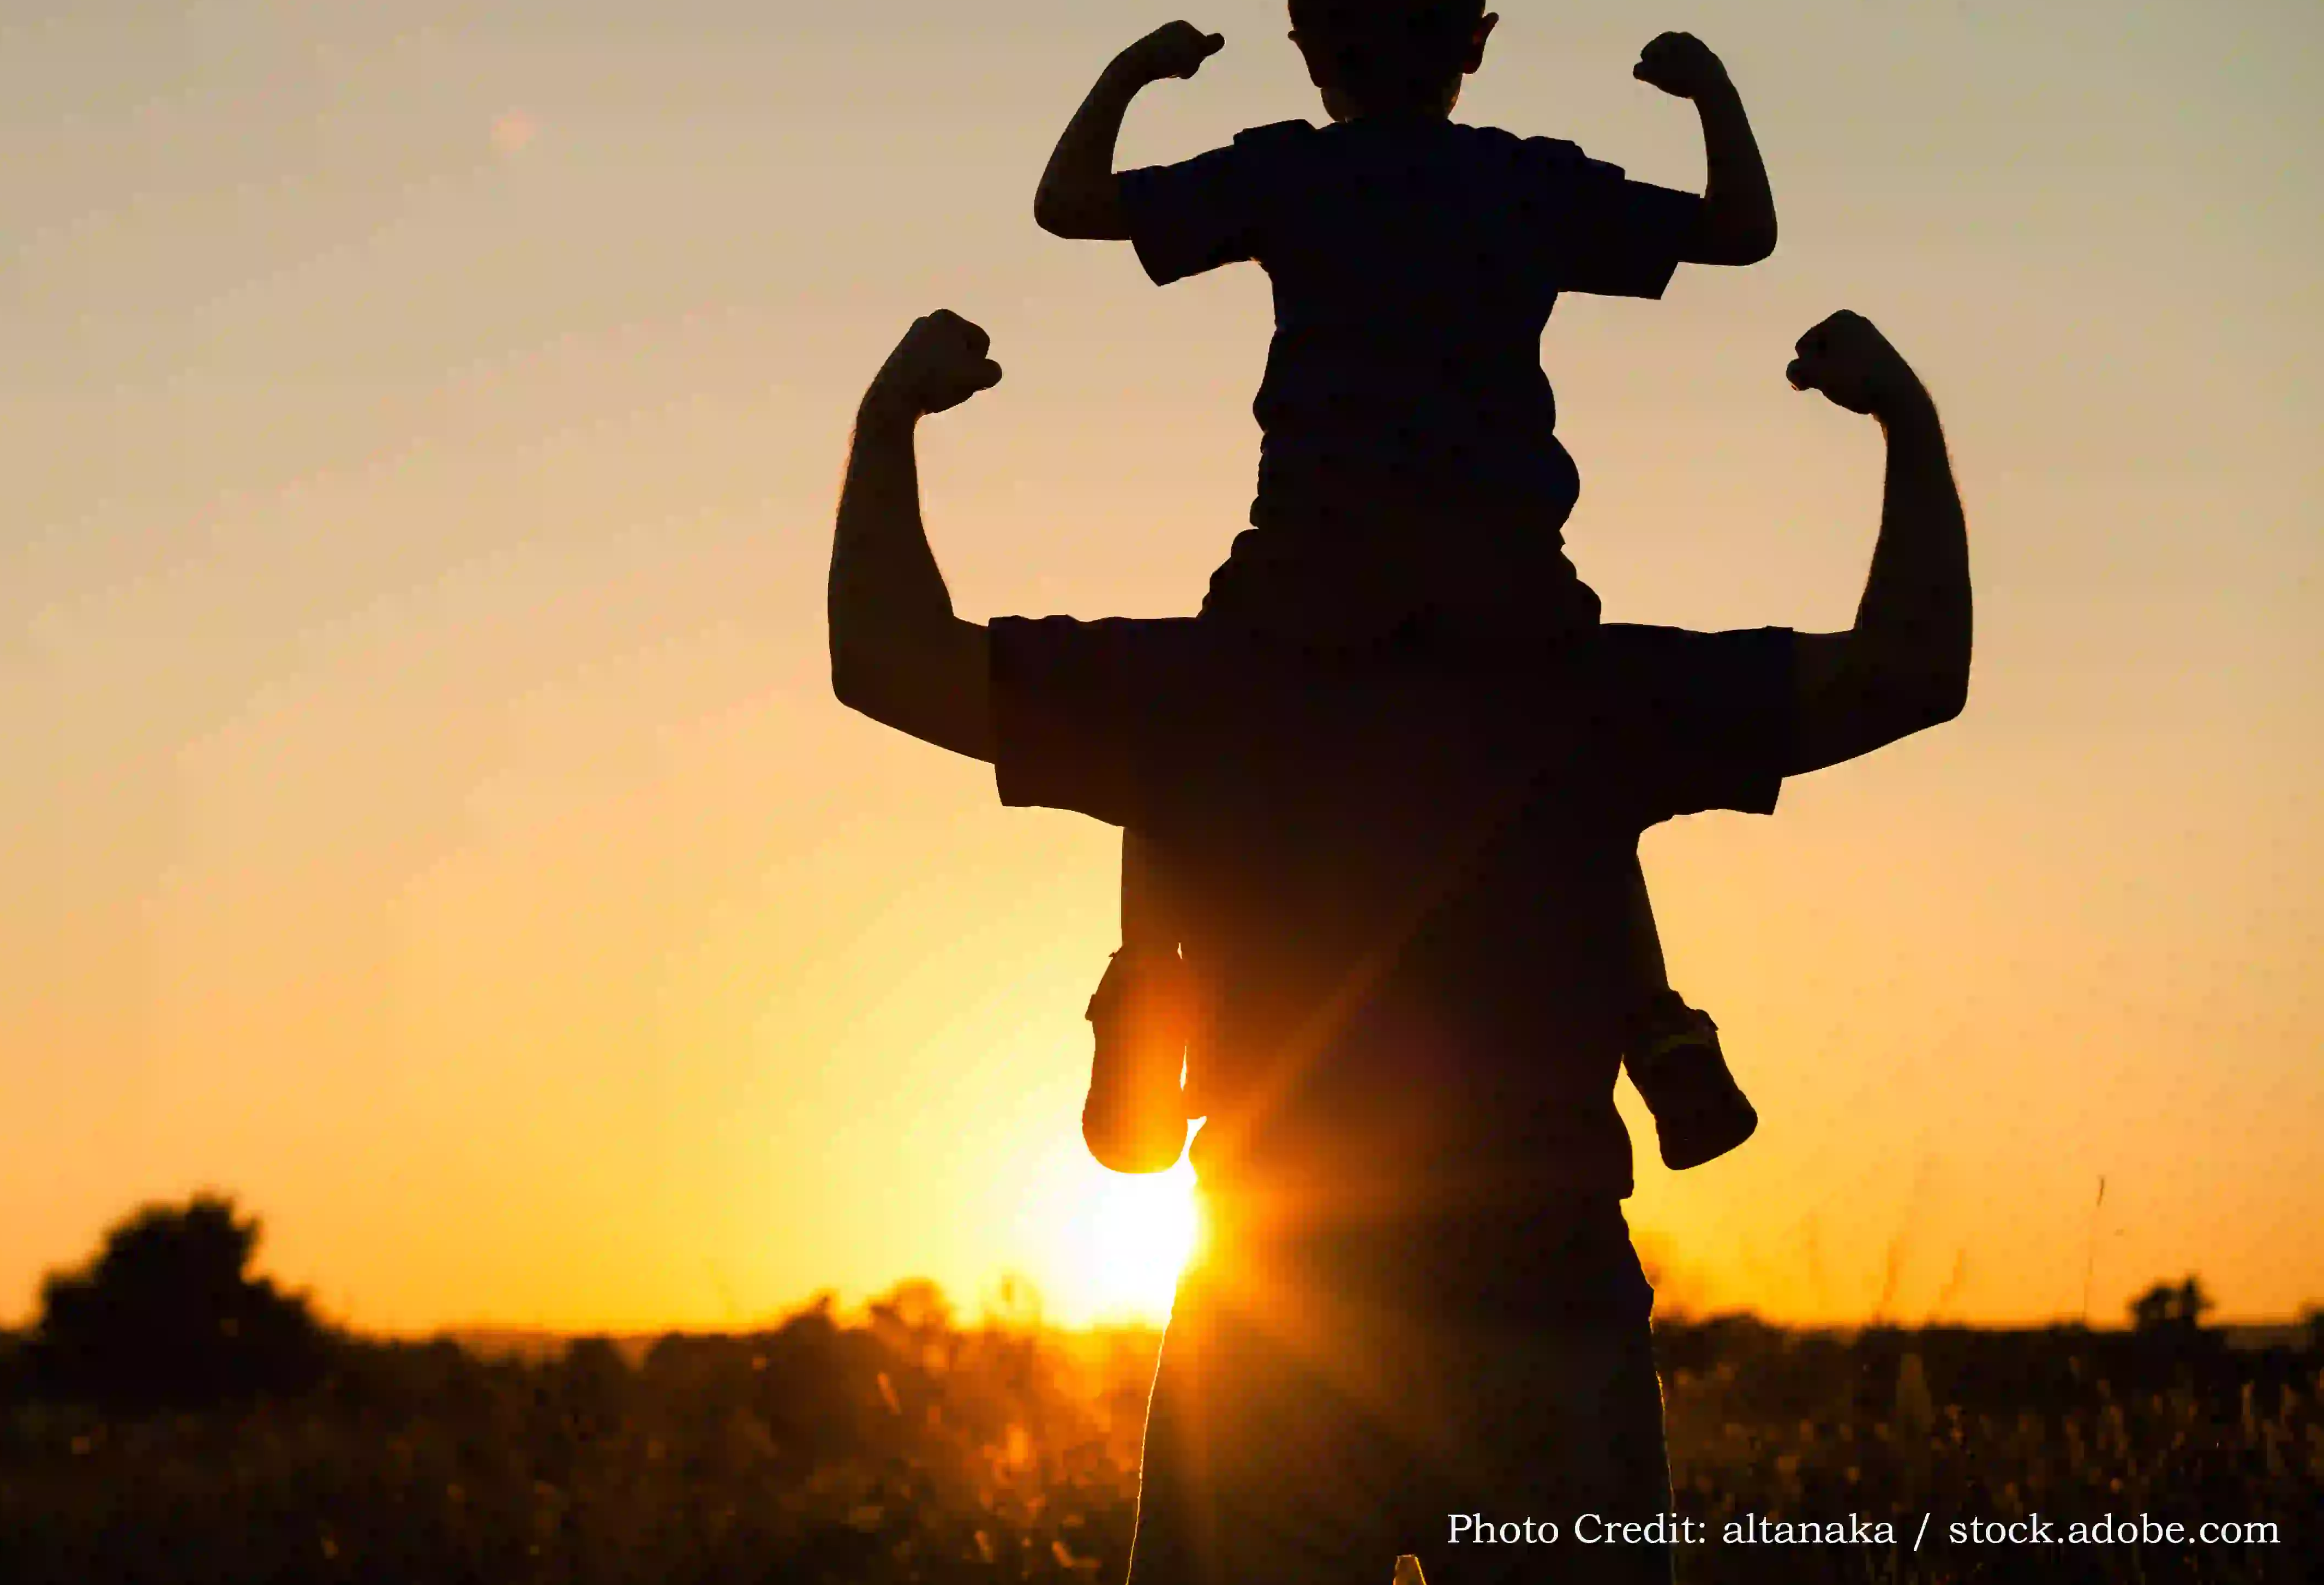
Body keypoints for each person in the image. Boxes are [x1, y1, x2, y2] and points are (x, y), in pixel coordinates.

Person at [828, 305, 1968, 1582]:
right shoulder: (1588, 692)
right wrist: (1904, 420)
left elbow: (885, 657)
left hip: (1279, 1306)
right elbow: (1910, 670)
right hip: (1544, 1297)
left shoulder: (1197, 695)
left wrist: (892, 418)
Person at [1031, 0, 1778, 1176]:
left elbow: (1071, 203)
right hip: (1504, 577)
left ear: (1305, 47)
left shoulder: (1289, 171)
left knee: (1161, 748)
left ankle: (1152, 992)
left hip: (1310, 568)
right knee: (1578, 788)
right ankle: (1654, 1023)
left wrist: (1136, 74)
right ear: (1479, 40)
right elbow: (1739, 233)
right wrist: (1710, 92)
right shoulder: (1524, 183)